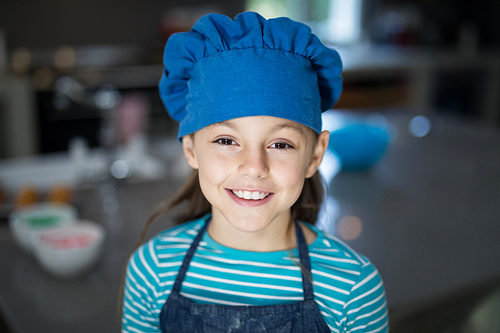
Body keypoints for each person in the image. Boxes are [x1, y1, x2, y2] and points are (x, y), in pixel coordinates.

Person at [121, 11, 388, 333]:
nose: (253, 167)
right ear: (191, 149)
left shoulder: (352, 287)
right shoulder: (153, 269)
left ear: (315, 154)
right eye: (226, 140)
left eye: (280, 145)